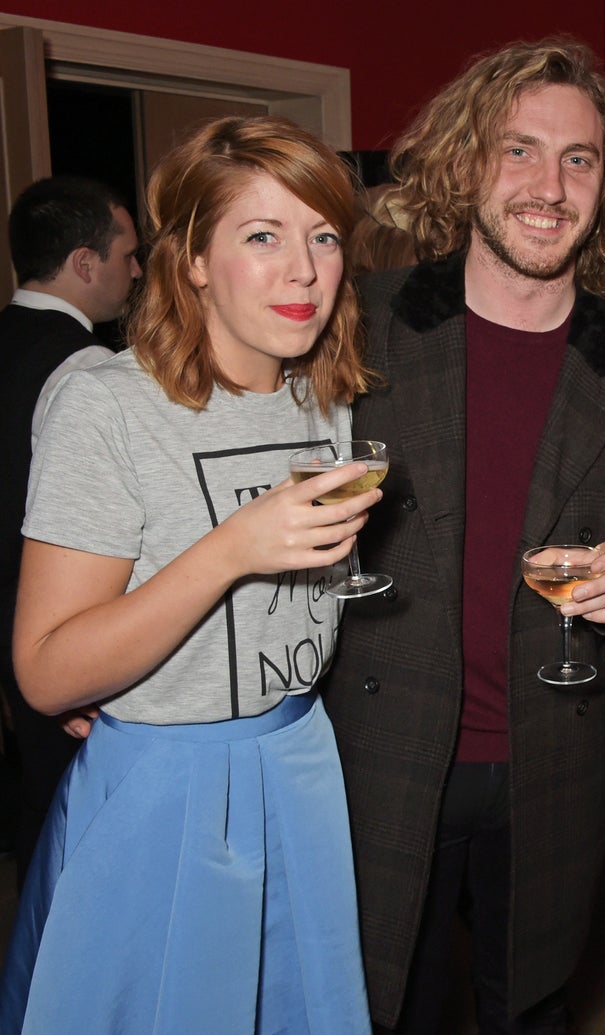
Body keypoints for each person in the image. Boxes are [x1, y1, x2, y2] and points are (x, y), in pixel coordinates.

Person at [322, 36, 605, 1034]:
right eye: (517, 149)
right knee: (384, 1006)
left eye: (579, 158)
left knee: (530, 1008)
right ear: (466, 162)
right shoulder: (365, 324)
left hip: (557, 758)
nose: (550, 184)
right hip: (380, 753)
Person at [0, 114, 377, 1035]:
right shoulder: (107, 401)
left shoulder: (322, 395)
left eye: (323, 237)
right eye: (263, 236)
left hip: (299, 763)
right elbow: (47, 669)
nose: (304, 270)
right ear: (195, 260)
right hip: (165, 794)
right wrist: (232, 549)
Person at [0, 175, 142, 886]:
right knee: (80, 822)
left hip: (9, 623)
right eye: (128, 254)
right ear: (86, 264)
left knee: (39, 805)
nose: (136, 271)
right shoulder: (89, 372)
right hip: (64, 624)